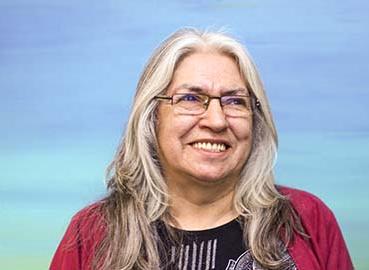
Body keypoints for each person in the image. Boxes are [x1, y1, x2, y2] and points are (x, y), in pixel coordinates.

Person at [50, 28, 353, 270]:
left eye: (235, 101)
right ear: (152, 116)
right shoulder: (92, 232)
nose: (217, 120)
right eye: (191, 99)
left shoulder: (307, 220)